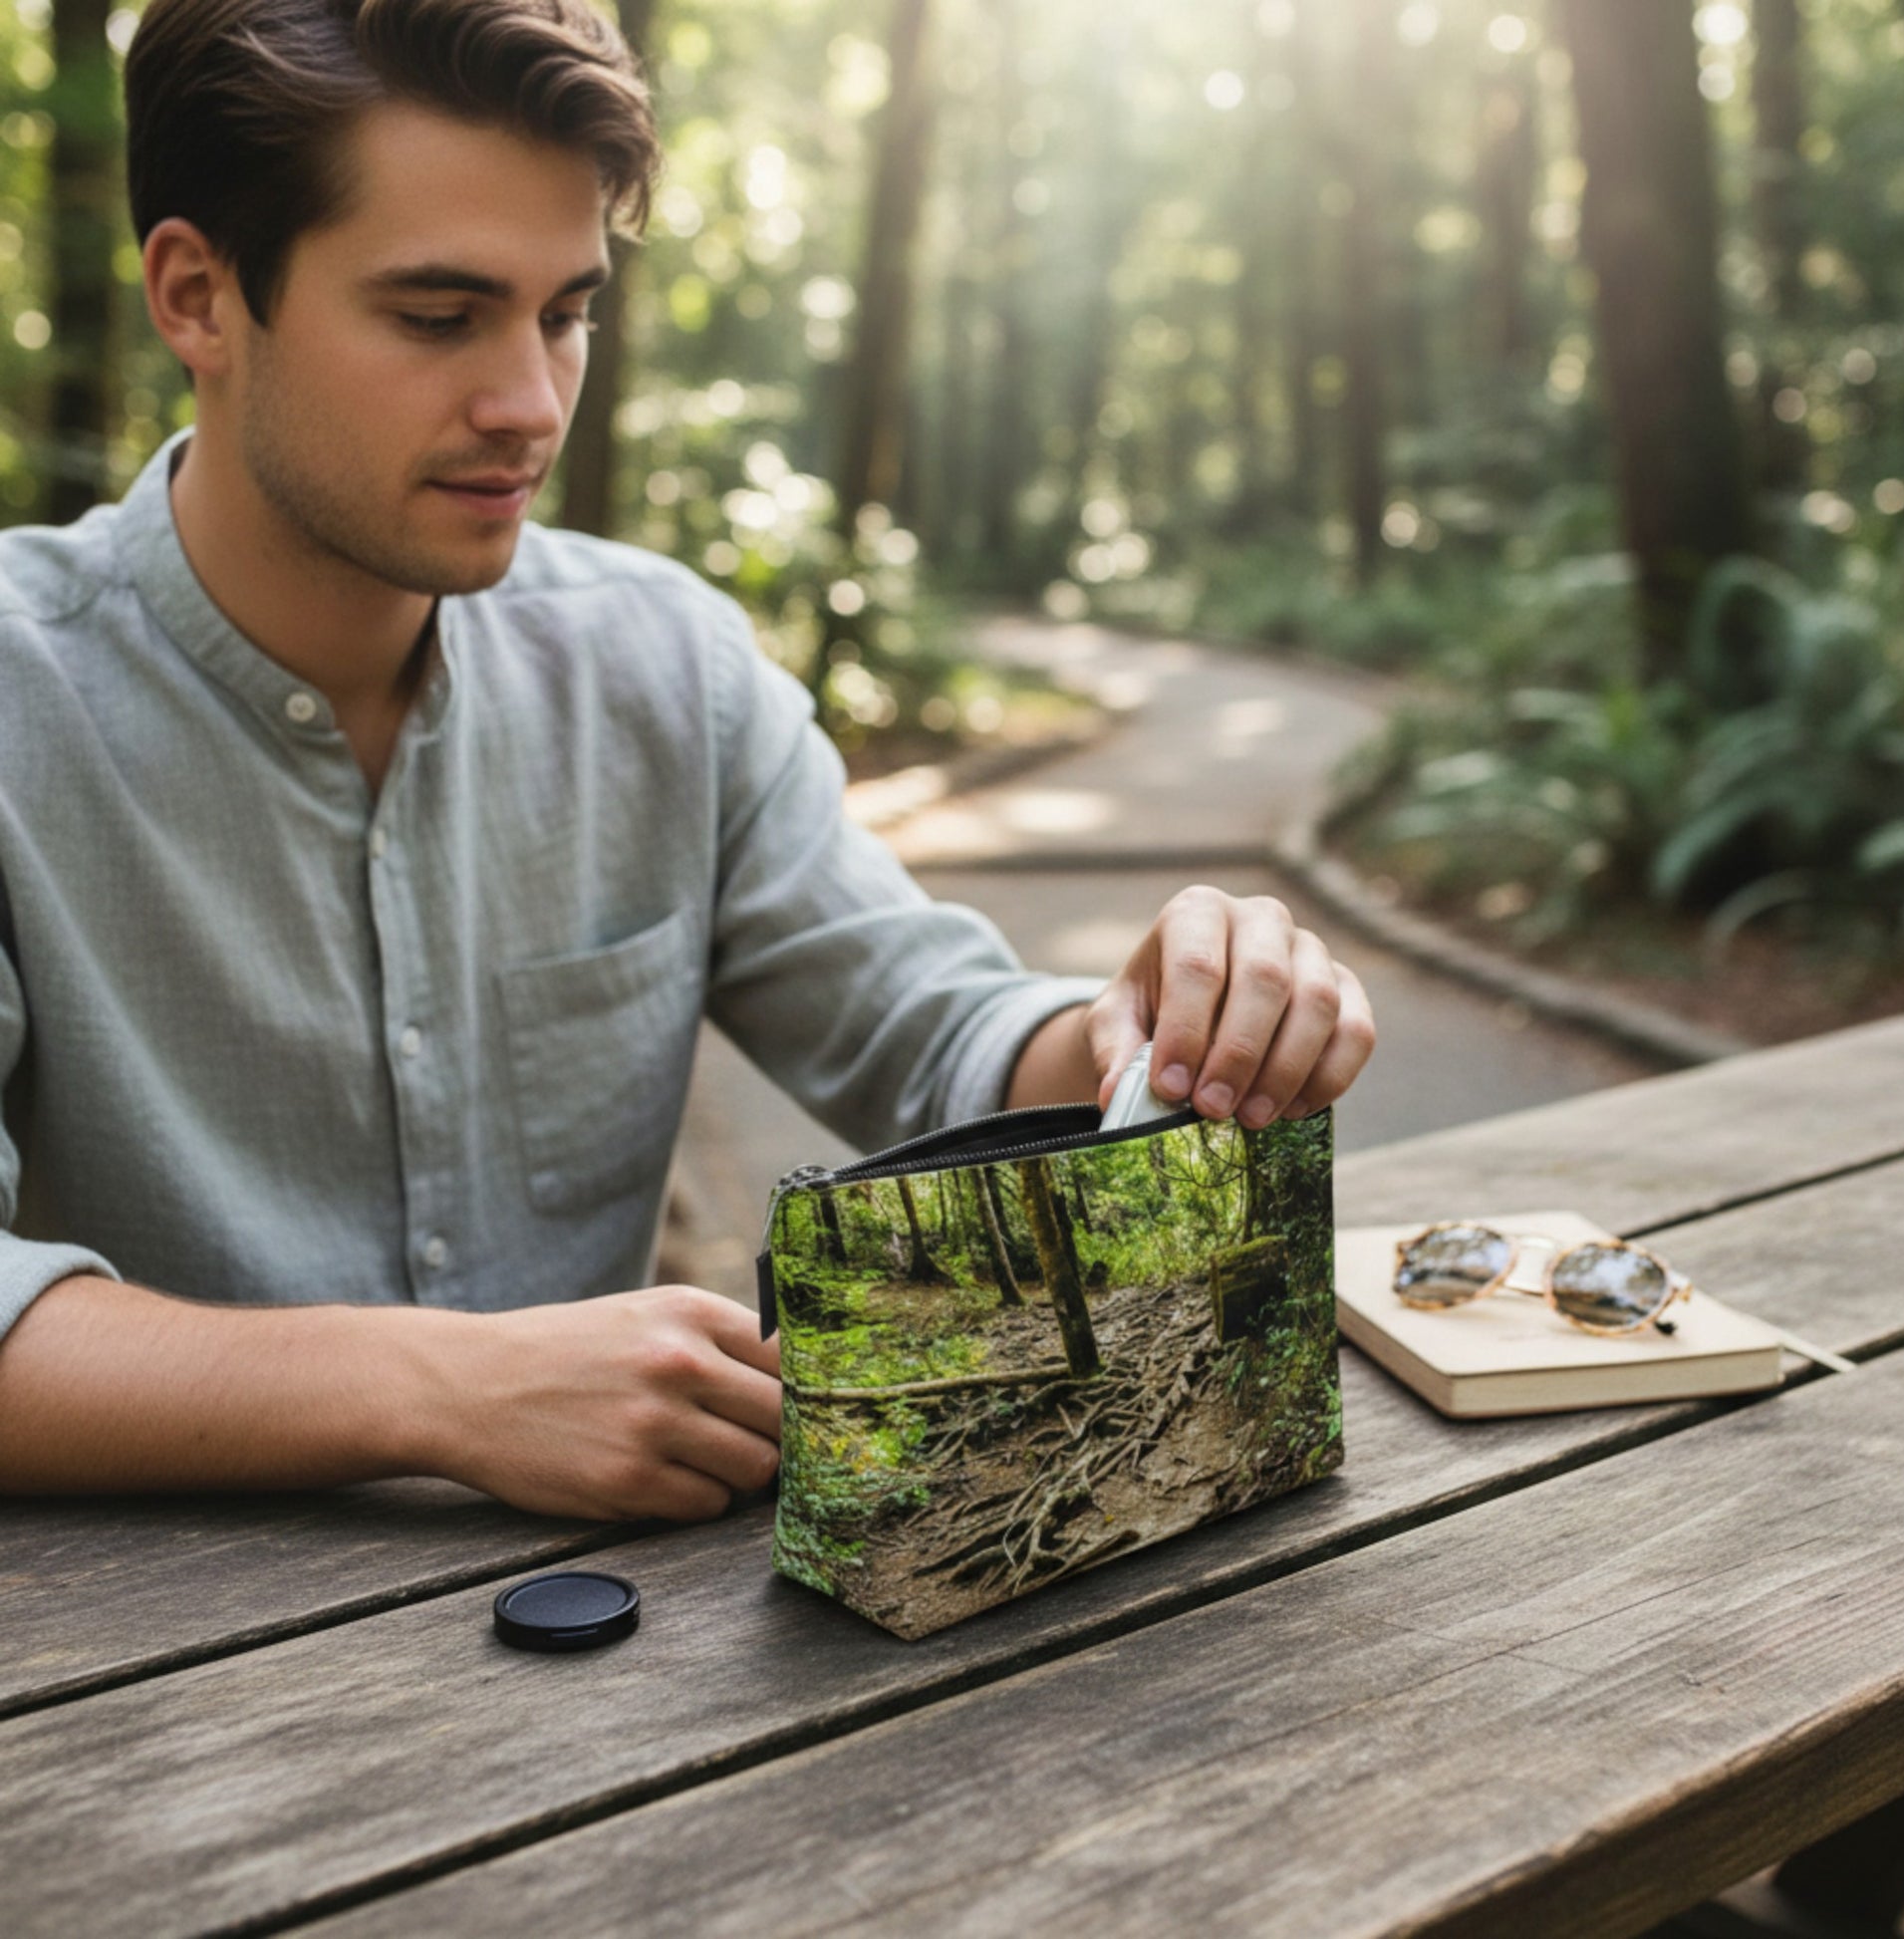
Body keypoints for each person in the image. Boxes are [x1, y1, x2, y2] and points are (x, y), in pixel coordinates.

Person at [0, 0, 1374, 1524]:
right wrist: (437, 1387)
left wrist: (1145, 1028)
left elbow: (925, 1029)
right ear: (197, 295)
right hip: (127, 1703)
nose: (528, 401)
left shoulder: (667, 662)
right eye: (438, 316)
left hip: (646, 1665)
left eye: (566, 312)